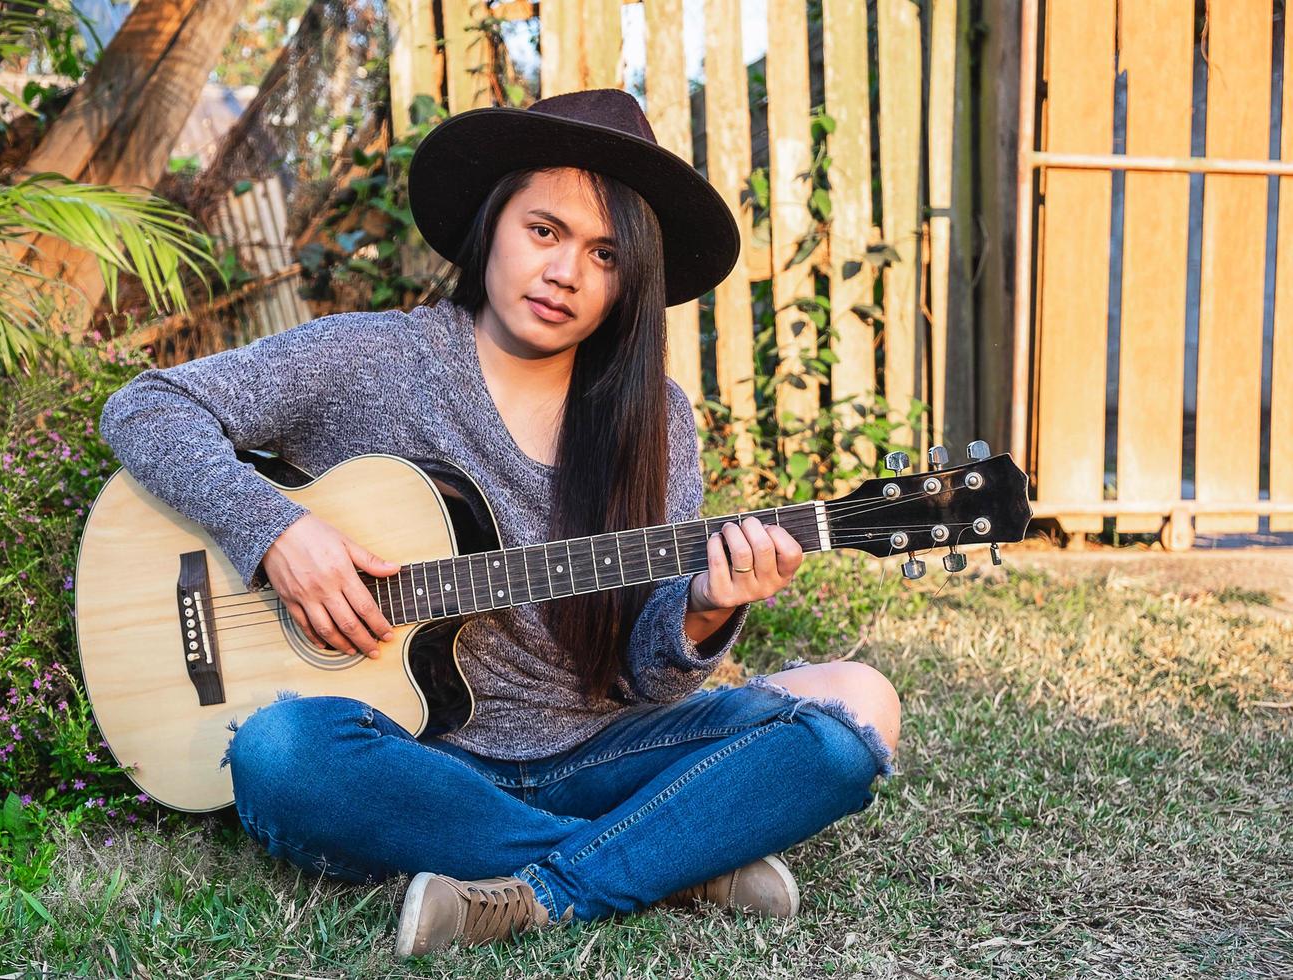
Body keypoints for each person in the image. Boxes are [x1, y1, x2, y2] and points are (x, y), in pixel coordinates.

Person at [98, 88, 900, 960]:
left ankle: (539, 889)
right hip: (413, 762)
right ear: (492, 224)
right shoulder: (374, 360)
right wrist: (275, 535)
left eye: (605, 253)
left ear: (632, 283)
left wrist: (704, 606)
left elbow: (651, 684)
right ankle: (663, 860)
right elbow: (147, 407)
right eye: (545, 231)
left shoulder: (653, 420)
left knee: (861, 706)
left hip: (595, 753)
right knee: (282, 751)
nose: (565, 273)